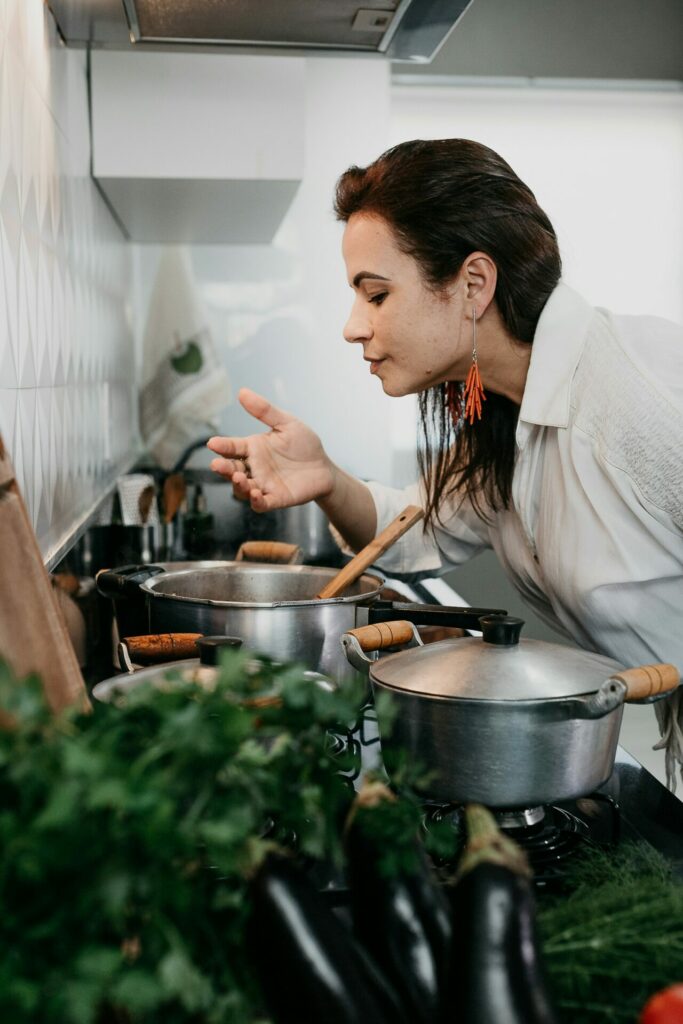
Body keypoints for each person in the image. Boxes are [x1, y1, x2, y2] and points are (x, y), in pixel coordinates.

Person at [207, 138, 683, 790]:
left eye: (374, 295)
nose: (352, 326)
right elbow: (416, 530)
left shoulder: (642, 397)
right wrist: (325, 480)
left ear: (472, 284)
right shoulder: (503, 415)